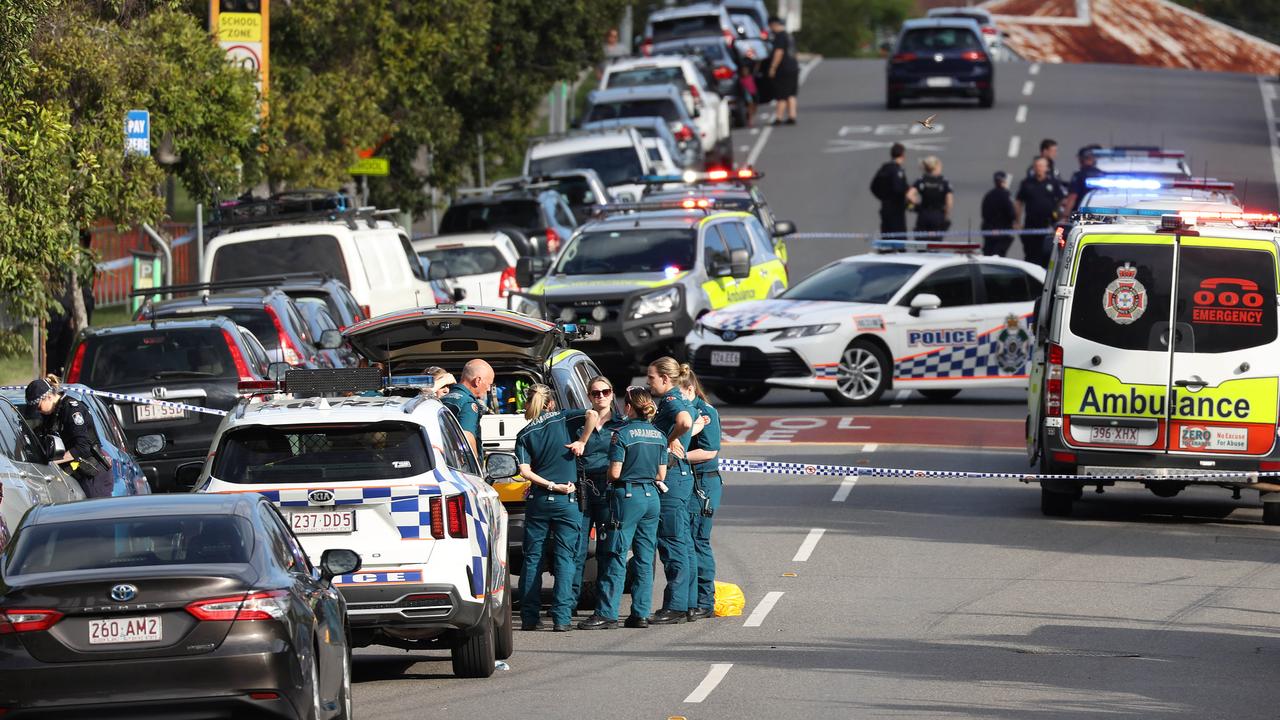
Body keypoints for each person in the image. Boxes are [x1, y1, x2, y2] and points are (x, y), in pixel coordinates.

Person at [578, 387, 667, 630]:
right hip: (652, 496)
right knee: (645, 557)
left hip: (627, 497)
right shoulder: (659, 434)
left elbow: (614, 472)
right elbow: (662, 473)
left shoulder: (622, 434)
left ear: (628, 407)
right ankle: (640, 613)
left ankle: (606, 612)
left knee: (615, 554)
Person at [515, 384, 597, 632]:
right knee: (566, 559)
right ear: (551, 403)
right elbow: (593, 414)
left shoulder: (525, 433)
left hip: (540, 500)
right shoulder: (564, 417)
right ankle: (561, 619)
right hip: (567, 501)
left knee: (533, 559)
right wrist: (581, 441)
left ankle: (530, 618)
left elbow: (524, 471)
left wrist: (549, 485)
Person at [567, 376, 626, 606]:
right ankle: (569, 603)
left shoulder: (621, 425)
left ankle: (604, 606)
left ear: (612, 394)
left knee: (606, 549)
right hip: (582, 489)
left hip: (609, 489)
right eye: (595, 393)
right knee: (577, 550)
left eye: (605, 391)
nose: (600, 396)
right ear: (589, 396)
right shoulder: (577, 424)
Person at [646, 357, 696, 624]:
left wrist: (669, 438)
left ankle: (675, 606)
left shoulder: (671, 401)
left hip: (673, 478)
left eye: (651, 377)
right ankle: (687, 603)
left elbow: (686, 422)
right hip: (680, 477)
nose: (648, 382)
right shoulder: (675, 399)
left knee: (672, 541)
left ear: (665, 379)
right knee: (683, 542)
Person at [680, 369, 721, 621]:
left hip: (702, 484)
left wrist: (676, 457)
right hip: (690, 483)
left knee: (698, 541)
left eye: (679, 392)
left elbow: (709, 451)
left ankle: (705, 600)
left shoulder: (704, 412)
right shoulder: (682, 410)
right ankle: (690, 598)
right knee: (685, 543)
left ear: (690, 391)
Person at [24, 375, 106, 491]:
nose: (38, 411)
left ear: (48, 397)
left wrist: (52, 462)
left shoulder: (72, 409)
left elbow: (82, 447)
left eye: (38, 407)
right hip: (73, 475)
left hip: (92, 475)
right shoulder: (51, 415)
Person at [1015, 157, 1067, 267]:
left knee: (1052, 252)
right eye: (1036, 166)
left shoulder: (1053, 183)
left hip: (1051, 226)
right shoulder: (1026, 183)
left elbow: (1062, 200)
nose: (1038, 168)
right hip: (1031, 226)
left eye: (1041, 166)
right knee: (1031, 255)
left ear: (1046, 168)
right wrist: (1017, 221)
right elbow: (1019, 202)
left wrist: (1060, 216)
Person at [440, 359, 493, 459]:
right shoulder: (468, 403)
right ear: (478, 381)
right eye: (489, 384)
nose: (489, 389)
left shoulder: (443, 399)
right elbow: (467, 437)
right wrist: (476, 466)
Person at [766, 16, 799, 125]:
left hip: (783, 68)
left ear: (773, 25)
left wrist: (773, 67)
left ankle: (778, 117)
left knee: (781, 94)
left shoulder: (779, 37)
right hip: (793, 67)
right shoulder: (789, 36)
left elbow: (779, 52)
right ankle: (792, 115)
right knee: (791, 93)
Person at [906, 156, 953, 233]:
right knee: (936, 243)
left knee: (921, 242)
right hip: (938, 215)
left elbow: (909, 195)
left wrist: (915, 203)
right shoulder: (944, 182)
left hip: (924, 214)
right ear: (936, 167)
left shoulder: (922, 180)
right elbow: (949, 201)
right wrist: (946, 215)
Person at [870, 143, 909, 236]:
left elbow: (873, 186)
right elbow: (898, 189)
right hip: (896, 210)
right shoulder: (897, 170)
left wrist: (883, 198)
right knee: (899, 238)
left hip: (885, 207)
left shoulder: (885, 168)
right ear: (902, 155)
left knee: (886, 235)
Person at [981, 171, 1017, 256]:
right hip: (1003, 230)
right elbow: (1011, 213)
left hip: (989, 230)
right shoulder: (1005, 195)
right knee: (999, 256)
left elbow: (984, 213)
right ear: (1004, 181)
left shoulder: (989, 195)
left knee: (988, 253)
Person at [1062, 145, 1104, 216]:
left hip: (1081, 215)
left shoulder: (1078, 176)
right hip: (1100, 214)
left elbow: (1072, 197)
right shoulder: (1101, 174)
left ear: (1081, 159)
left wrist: (1065, 216)